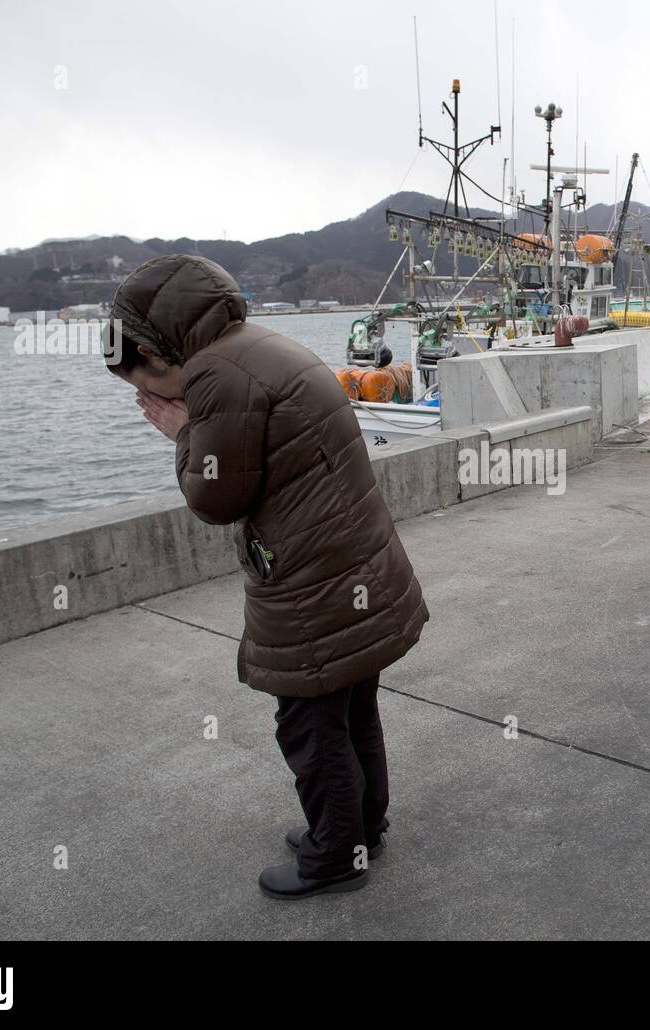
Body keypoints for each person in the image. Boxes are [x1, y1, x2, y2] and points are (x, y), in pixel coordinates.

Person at [106, 254, 429, 899]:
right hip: (352, 561)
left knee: (308, 724)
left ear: (159, 347)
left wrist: (182, 434)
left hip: (314, 582)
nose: (154, 397)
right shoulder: (259, 345)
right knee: (350, 704)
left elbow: (215, 498)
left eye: (146, 382)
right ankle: (364, 824)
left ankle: (335, 857)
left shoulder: (215, 379)